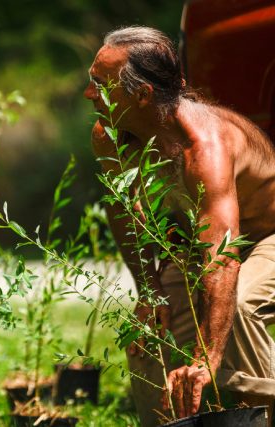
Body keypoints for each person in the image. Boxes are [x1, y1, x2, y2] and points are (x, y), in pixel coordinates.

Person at [84, 26, 275, 426]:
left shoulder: (206, 147)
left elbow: (223, 260)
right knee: (148, 332)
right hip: (204, 243)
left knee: (239, 305)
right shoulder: (110, 136)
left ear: (141, 95)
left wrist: (206, 357)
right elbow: (125, 209)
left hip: (266, 238)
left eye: (100, 87)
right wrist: (150, 290)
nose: (88, 96)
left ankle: (259, 414)